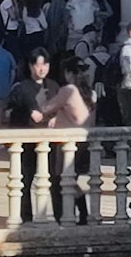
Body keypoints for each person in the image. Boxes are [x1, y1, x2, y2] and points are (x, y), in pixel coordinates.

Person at [33, 56, 95, 223]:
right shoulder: (89, 92)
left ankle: (64, 216)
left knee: (58, 180)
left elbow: (46, 108)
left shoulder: (69, 90)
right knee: (70, 180)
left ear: (68, 73)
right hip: (83, 141)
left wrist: (40, 99)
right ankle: (82, 214)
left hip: (66, 143)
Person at [8, 48, 58, 220]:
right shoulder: (22, 88)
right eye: (38, 65)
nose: (42, 69)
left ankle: (58, 214)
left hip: (51, 142)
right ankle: (25, 215)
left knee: (55, 179)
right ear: (31, 66)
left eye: (45, 64)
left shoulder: (53, 86)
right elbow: (11, 113)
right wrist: (27, 113)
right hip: (28, 142)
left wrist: (56, 118)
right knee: (26, 180)